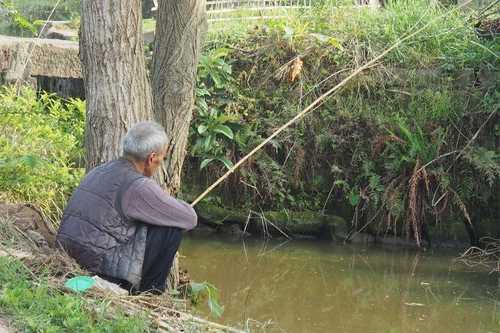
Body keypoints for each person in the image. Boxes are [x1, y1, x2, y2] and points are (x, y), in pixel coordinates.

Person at [57, 121, 197, 294]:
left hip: (66, 255)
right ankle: (149, 294)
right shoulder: (138, 185)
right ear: (151, 158)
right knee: (170, 229)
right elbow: (190, 218)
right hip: (96, 267)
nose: (160, 164)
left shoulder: (99, 170)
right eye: (162, 158)